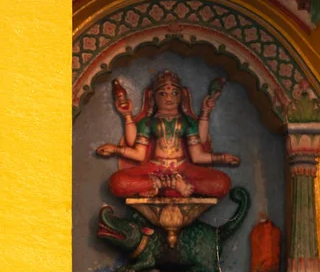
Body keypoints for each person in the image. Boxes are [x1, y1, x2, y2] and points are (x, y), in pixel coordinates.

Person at [96, 70, 239, 198]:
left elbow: (197, 156)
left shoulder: (187, 122)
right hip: (155, 169)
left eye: (174, 93)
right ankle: (171, 185)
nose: (169, 98)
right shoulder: (148, 122)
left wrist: (222, 157)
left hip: (183, 170)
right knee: (117, 182)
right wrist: (125, 120)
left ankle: (162, 185)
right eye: (163, 93)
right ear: (153, 97)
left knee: (222, 183)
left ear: (181, 97)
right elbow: (138, 153)